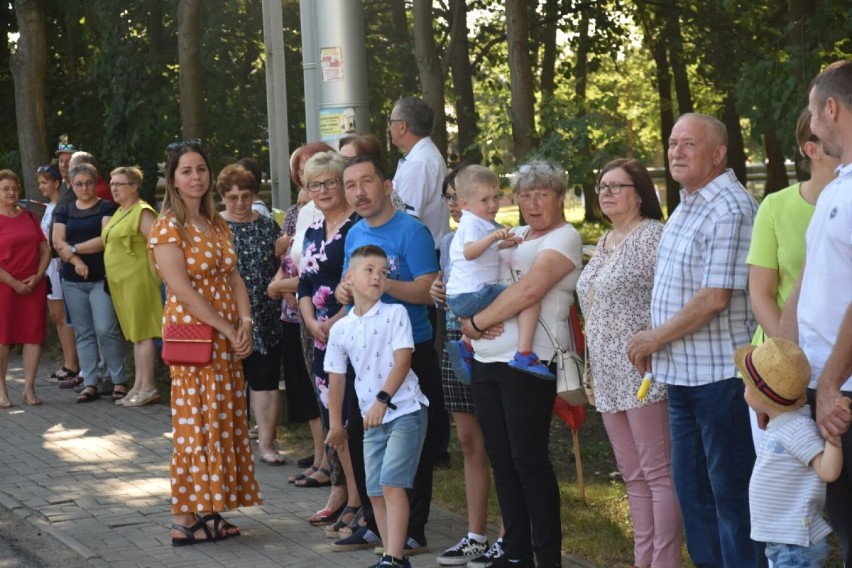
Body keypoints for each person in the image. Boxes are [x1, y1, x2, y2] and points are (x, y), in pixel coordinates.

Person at [626, 113, 762, 567]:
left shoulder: (731, 207)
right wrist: (658, 347)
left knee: (732, 501)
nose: (676, 152)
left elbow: (713, 298)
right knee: (694, 497)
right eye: (672, 143)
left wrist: (653, 339)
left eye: (689, 144)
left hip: (722, 379)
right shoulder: (688, 202)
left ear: (719, 154)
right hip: (683, 376)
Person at [457, 160, 582, 568]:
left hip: (530, 363)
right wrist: (457, 302)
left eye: (542, 194)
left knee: (528, 460)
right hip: (487, 358)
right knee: (502, 459)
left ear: (560, 197)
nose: (532, 202)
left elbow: (530, 290)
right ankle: (516, 552)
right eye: (525, 195)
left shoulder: (565, 238)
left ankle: (547, 557)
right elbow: (478, 273)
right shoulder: (519, 234)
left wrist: (476, 322)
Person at [148, 139, 261, 545]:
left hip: (227, 336)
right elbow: (182, 290)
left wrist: (244, 321)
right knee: (195, 426)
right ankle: (183, 519)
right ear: (173, 182)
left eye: (200, 169)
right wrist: (227, 329)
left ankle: (207, 511)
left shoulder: (216, 223)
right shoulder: (167, 228)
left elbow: (233, 277)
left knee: (220, 422)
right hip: (195, 337)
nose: (195, 177)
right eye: (186, 171)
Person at [576, 159, 682, 568]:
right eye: (601, 186)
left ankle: (665, 561)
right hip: (605, 376)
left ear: (639, 193)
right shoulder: (605, 241)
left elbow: (675, 298)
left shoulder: (654, 236)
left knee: (657, 474)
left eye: (615, 186)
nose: (605, 193)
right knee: (632, 475)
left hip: (643, 373)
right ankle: (644, 561)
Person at [333, 155, 440, 555]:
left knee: (414, 444)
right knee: (366, 436)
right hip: (366, 356)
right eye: (350, 185)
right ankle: (377, 525)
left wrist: (379, 282)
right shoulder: (354, 233)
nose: (358, 192)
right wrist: (347, 293)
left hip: (411, 351)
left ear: (387, 185)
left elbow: (428, 289)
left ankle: (413, 529)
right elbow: (349, 284)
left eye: (366, 182)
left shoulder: (412, 231)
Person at [781, 60, 852, 566]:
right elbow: (806, 289)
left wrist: (828, 385)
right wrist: (776, 375)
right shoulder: (837, 187)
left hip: (843, 391)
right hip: (823, 384)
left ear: (831, 108)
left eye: (812, 110)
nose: (812, 121)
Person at [325, 244, 430, 568]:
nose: (377, 277)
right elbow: (337, 379)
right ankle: (391, 555)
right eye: (369, 270)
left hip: (406, 411)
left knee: (392, 484)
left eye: (383, 272)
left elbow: (403, 361)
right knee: (374, 491)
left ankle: (395, 558)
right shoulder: (341, 328)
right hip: (372, 420)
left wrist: (383, 401)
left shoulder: (394, 314)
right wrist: (335, 426)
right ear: (350, 277)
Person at [746, 108, 840, 443]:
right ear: (812, 150)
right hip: (780, 367)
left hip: (841, 362)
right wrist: (791, 360)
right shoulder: (775, 206)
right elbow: (760, 293)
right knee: (784, 484)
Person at [430, 167, 502, 566]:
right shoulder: (449, 240)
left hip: (492, 342)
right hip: (458, 341)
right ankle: (475, 535)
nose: (456, 205)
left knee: (502, 444)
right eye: (450, 198)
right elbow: (450, 287)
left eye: (459, 196)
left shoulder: (499, 236)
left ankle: (510, 536)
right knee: (470, 443)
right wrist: (435, 289)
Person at [736, 338, 848, 568]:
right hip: (783, 541)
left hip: (794, 544)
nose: (743, 388)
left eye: (747, 384)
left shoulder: (796, 429)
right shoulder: (783, 423)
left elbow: (827, 471)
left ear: (762, 396)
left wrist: (834, 436)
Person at [296, 151, 362, 530]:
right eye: (314, 184)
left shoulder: (357, 228)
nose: (322, 190)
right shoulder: (313, 229)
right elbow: (304, 283)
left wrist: (335, 320)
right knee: (329, 417)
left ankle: (356, 498)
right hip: (319, 335)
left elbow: (358, 284)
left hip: (349, 332)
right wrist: (309, 320)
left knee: (348, 418)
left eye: (329, 182)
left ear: (342, 183)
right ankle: (340, 490)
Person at [445, 165, 551, 383]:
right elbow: (470, 252)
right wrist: (494, 238)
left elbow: (482, 254)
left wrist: (502, 244)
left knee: (507, 302)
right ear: (464, 204)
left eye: (496, 197)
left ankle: (465, 343)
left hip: (463, 296)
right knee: (526, 299)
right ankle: (523, 354)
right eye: (485, 200)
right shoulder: (472, 224)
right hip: (470, 295)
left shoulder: (477, 223)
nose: (493, 205)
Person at [217, 164, 285, 464]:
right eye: (233, 197)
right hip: (226, 318)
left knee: (265, 382)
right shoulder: (213, 227)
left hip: (266, 315)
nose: (240, 203)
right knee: (226, 385)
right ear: (222, 197)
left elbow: (281, 264)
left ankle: (267, 444)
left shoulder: (268, 225)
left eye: (245, 196)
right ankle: (230, 447)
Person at [53, 163, 128, 404]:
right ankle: (91, 382)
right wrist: (76, 261)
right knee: (83, 333)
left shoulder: (105, 207)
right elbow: (57, 242)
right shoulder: (63, 210)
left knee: (106, 329)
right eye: (79, 184)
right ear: (72, 185)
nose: (84, 188)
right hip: (72, 280)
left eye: (88, 183)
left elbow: (104, 239)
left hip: (101, 278)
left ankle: (119, 380)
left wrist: (73, 249)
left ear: (96, 183)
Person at [102, 166, 162, 407]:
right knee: (136, 335)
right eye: (112, 183)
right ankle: (138, 384)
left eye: (119, 184)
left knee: (144, 332)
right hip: (122, 283)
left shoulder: (142, 212)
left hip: (139, 281)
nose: (113, 188)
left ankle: (148, 386)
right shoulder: (120, 211)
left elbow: (157, 244)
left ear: (134, 187)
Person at [0, 170, 50, 407]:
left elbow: (45, 249)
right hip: (5, 287)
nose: (11, 192)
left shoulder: (30, 216)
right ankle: (1, 390)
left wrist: (38, 276)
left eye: (14, 188)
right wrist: (14, 283)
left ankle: (29, 389)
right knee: (3, 338)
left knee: (33, 336)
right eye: (5, 188)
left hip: (33, 285)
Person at [36, 165, 80, 385]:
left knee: (62, 316)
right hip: (47, 264)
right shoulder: (49, 207)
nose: (41, 186)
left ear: (56, 183)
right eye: (39, 183)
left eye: (44, 182)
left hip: (58, 262)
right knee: (56, 316)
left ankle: (73, 365)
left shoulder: (62, 205)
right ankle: (68, 361)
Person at [388, 96, 449, 250]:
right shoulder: (421, 157)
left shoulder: (419, 163)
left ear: (402, 126)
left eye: (391, 122)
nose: (390, 128)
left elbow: (406, 218)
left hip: (420, 253)